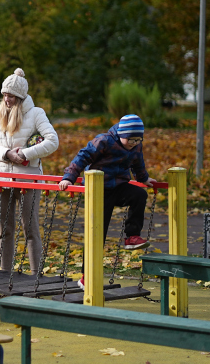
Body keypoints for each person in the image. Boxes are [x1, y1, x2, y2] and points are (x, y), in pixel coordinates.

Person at [58, 114, 157, 288]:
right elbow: (82, 157)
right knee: (97, 235)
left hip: (118, 186)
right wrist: (69, 178)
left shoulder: (136, 146)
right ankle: (86, 277)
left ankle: (132, 236)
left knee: (139, 195)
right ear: (121, 134)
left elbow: (138, 164)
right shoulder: (104, 141)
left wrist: (144, 179)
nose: (134, 143)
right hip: (98, 190)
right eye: (131, 140)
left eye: (138, 140)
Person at [0, 68, 59, 275]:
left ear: (20, 96)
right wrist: (7, 153)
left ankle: (36, 276)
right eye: (4, 95)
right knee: (4, 230)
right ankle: (3, 273)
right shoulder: (0, 114)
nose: (6, 99)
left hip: (28, 180)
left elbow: (53, 141)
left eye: (10, 96)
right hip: (2, 179)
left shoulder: (36, 114)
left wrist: (24, 154)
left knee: (31, 229)